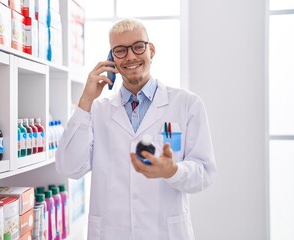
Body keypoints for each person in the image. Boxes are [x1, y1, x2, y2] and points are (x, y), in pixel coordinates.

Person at [55, 18, 216, 240]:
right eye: (120, 51)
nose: (130, 56)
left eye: (138, 47)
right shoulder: (98, 110)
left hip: (164, 232)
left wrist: (172, 170)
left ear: (151, 50)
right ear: (111, 59)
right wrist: (85, 101)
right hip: (111, 232)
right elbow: (69, 167)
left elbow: (204, 173)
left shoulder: (187, 104)